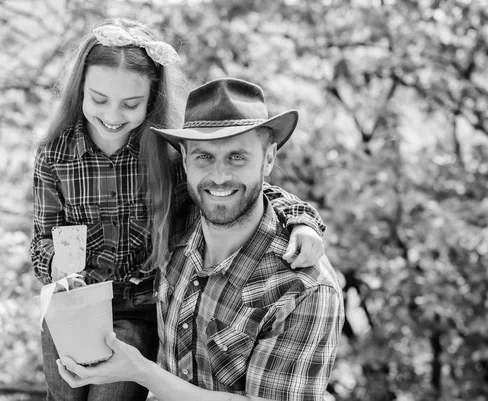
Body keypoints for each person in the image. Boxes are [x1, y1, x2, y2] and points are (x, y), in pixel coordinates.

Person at [30, 17, 328, 401]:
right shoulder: (55, 153)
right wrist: (56, 264)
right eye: (99, 100)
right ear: (79, 91)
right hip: (74, 303)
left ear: (151, 100)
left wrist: (303, 221)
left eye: (131, 103)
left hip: (138, 307)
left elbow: (241, 192)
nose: (113, 116)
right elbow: (41, 239)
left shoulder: (165, 153)